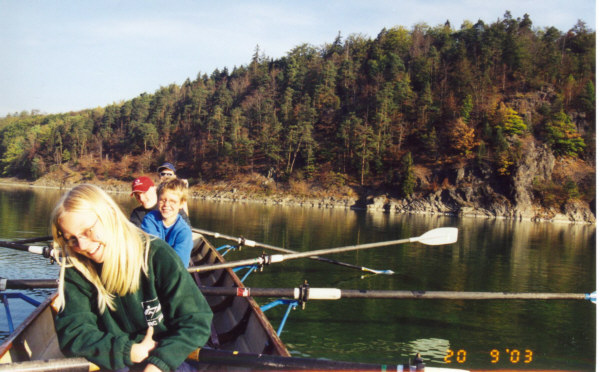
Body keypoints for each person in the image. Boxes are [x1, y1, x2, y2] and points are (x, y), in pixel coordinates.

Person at [50, 184, 212, 372]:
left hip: (169, 355)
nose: (83, 245)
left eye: (88, 231)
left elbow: (196, 321)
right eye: (72, 239)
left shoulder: (157, 255)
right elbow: (74, 334)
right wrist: (129, 351)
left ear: (109, 215)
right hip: (116, 357)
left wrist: (158, 365)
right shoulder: (77, 267)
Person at [141, 178, 193, 266]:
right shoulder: (149, 219)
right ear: (157, 201)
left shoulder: (184, 232)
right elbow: (152, 251)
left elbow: (180, 265)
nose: (166, 205)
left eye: (173, 201)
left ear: (181, 204)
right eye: (162, 200)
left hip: (172, 272)